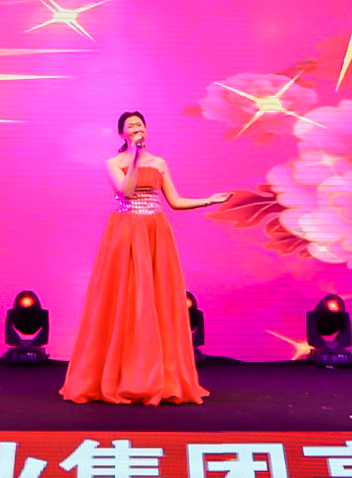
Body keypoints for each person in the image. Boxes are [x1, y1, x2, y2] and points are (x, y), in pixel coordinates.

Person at [60, 110, 230, 405]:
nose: (136, 128)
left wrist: (208, 201)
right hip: (127, 232)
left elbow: (175, 201)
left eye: (140, 124)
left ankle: (159, 376)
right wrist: (135, 156)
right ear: (122, 134)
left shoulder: (160, 163)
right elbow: (125, 191)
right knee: (125, 296)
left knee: (156, 297)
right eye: (131, 126)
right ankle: (121, 374)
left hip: (155, 232)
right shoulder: (114, 163)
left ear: (146, 129)